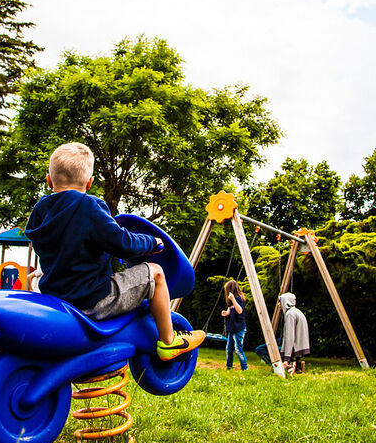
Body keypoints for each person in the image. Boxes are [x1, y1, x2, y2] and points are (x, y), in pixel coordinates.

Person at [24, 142, 205, 361]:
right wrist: (151, 242)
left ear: (49, 180)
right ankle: (169, 342)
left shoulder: (40, 211)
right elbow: (121, 243)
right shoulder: (89, 206)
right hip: (92, 300)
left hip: (56, 297)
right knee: (156, 273)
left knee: (38, 273)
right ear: (89, 183)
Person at [279, 292, 310, 373]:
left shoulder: (290, 314)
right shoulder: (296, 311)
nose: (279, 304)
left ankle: (290, 367)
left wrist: (286, 358)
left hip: (295, 346)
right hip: (300, 344)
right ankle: (297, 367)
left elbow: (289, 336)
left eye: (280, 301)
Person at [221, 279, 248, 370]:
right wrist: (226, 313)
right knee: (229, 349)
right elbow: (231, 309)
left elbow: (240, 311)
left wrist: (233, 299)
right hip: (232, 328)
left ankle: (244, 368)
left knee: (238, 350)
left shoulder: (238, 299)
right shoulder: (232, 302)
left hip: (239, 329)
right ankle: (229, 366)